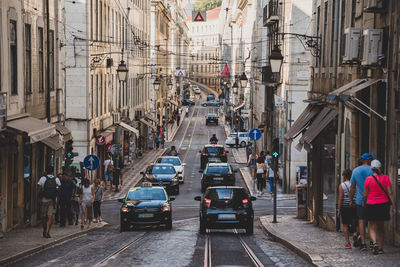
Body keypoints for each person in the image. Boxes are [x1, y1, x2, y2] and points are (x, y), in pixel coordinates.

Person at [363, 160, 396, 255]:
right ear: (380, 167)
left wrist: (364, 204)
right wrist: (394, 206)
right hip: (383, 205)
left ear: (371, 168)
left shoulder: (368, 179)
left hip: (371, 204)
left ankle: (374, 243)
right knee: (381, 227)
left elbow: (365, 195)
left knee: (372, 226)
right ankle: (381, 248)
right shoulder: (386, 178)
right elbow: (390, 193)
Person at [349, 153, 375, 251]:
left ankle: (363, 243)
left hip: (360, 200)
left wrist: (351, 199)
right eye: (371, 159)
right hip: (373, 199)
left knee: (361, 221)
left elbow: (352, 187)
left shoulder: (355, 171)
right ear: (368, 160)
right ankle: (373, 242)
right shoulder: (373, 170)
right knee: (372, 221)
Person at [38, 167, 61, 238]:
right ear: (52, 172)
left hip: (44, 200)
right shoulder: (56, 179)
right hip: (52, 200)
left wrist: (40, 195)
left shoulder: (42, 178)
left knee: (43, 217)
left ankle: (45, 229)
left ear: (46, 171)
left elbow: (39, 188)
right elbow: (60, 188)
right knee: (50, 217)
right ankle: (47, 231)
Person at [337, 169, 357, 249]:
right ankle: (355, 234)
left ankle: (348, 243)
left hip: (345, 207)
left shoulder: (342, 185)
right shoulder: (355, 184)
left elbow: (340, 198)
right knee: (355, 222)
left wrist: (339, 209)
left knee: (345, 225)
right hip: (354, 205)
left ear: (344, 176)